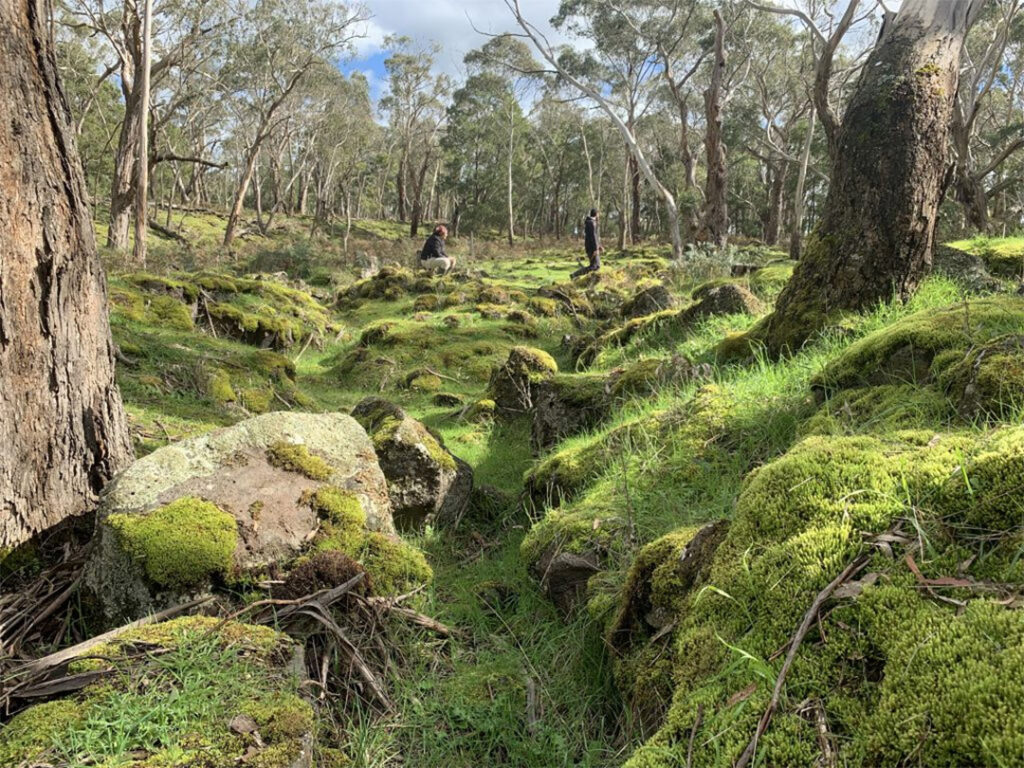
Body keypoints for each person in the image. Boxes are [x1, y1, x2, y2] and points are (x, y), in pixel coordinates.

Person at [571, 208, 601, 279]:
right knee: (595, 266)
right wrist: (595, 249)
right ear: (596, 214)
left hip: (591, 247)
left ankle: (590, 280)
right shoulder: (591, 223)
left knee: (595, 266)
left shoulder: (590, 222)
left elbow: (594, 237)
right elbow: (592, 237)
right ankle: (575, 275)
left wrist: (599, 246)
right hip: (591, 248)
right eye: (598, 214)